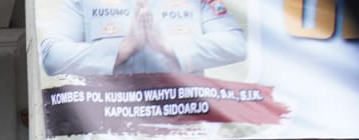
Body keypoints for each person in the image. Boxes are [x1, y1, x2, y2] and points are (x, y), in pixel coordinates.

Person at [39, 0, 246, 76]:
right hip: (111, 123)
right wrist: (122, 49)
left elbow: (235, 45)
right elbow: (52, 56)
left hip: (185, 120)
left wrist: (169, 46)